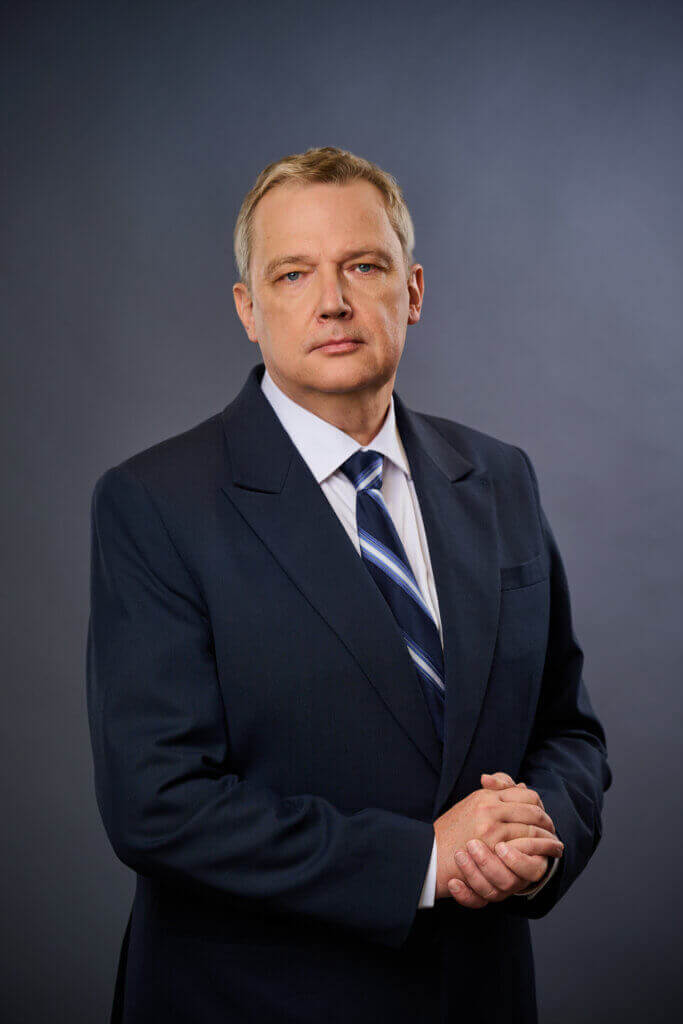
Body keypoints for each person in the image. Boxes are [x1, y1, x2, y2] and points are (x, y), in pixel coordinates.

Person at [86, 146, 612, 1024]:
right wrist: (424, 862)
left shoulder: (498, 478)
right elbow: (157, 803)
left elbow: (567, 729)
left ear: (412, 290)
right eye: (292, 274)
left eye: (362, 266)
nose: (331, 300)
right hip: (253, 1003)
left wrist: (531, 839)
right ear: (248, 309)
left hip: (478, 994)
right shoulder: (155, 502)